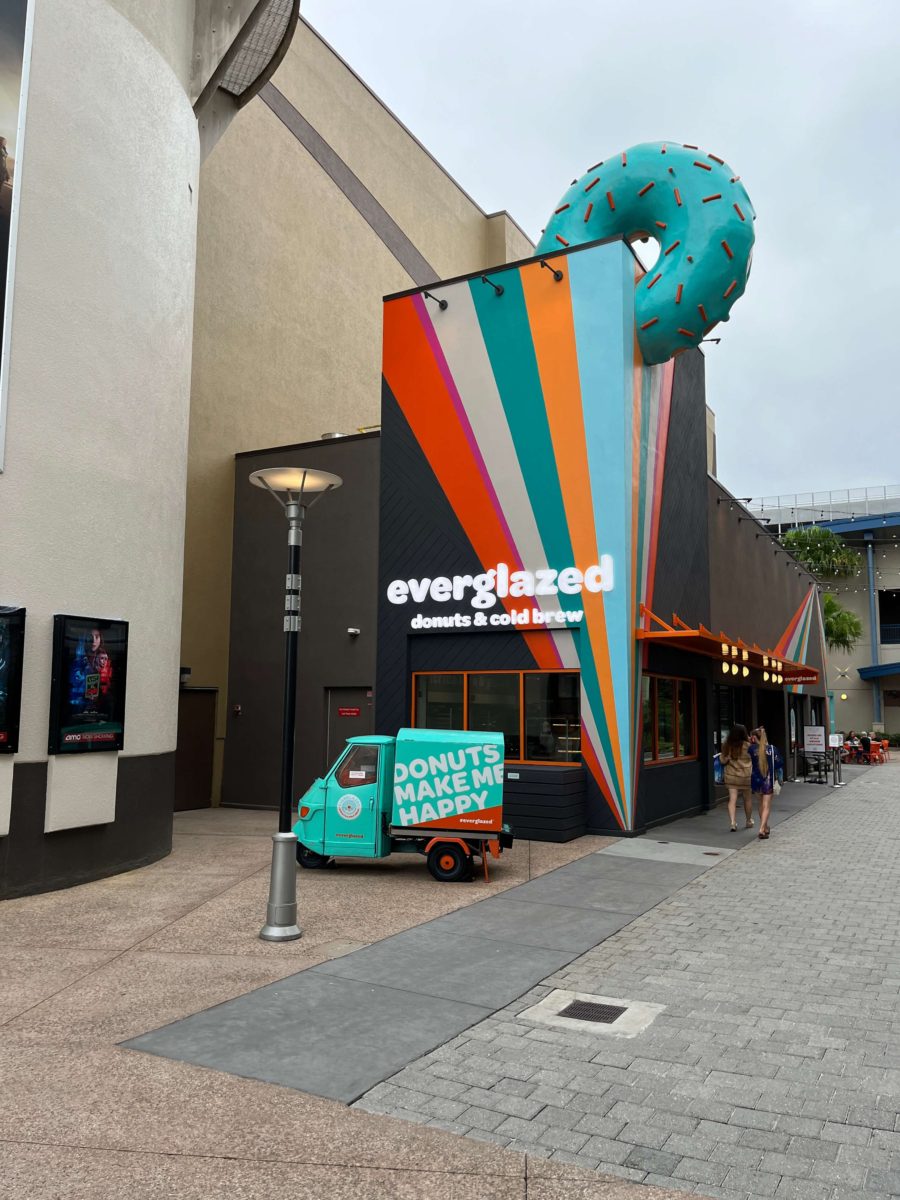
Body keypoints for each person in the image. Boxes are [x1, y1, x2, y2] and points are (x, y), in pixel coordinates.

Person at [720, 724, 754, 831]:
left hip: (731, 776)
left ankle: (733, 823)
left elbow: (722, 760)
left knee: (732, 799)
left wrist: (728, 758)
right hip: (746, 776)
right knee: (747, 799)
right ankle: (748, 821)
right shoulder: (749, 746)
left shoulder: (727, 745)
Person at [750, 726, 782, 840]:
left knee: (760, 804)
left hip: (756, 780)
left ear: (753, 738)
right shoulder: (772, 749)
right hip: (769, 780)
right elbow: (779, 764)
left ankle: (765, 827)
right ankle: (762, 829)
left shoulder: (752, 749)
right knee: (766, 805)